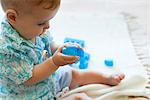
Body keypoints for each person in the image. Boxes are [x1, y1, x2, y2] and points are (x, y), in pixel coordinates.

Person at [0, 0, 125, 99]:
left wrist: (60, 49)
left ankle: (106, 78)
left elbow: (49, 45)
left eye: (49, 20)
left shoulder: (34, 28)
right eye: (41, 23)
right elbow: (29, 78)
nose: (48, 26)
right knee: (79, 98)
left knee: (74, 73)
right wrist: (54, 62)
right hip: (28, 94)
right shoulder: (7, 50)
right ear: (13, 17)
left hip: (51, 77)